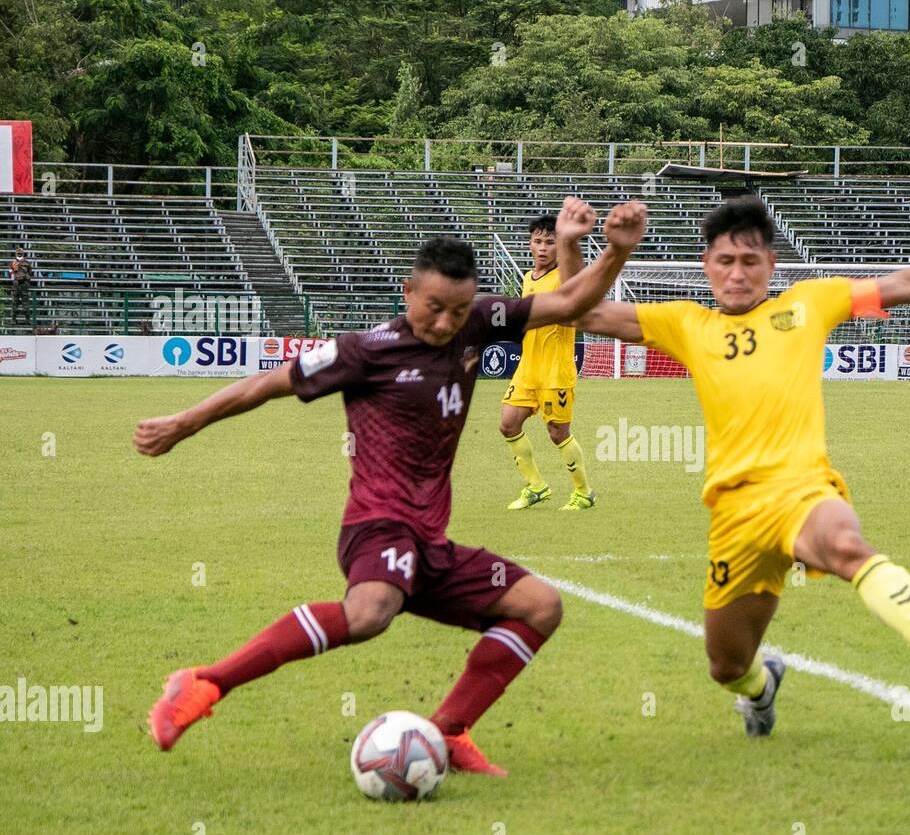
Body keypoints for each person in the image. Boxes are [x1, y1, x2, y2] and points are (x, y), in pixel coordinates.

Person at [136, 198, 647, 775]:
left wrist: (618, 248)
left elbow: (572, 301)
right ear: (408, 292)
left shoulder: (480, 320)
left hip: (429, 544)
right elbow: (266, 384)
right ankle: (202, 683)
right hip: (377, 527)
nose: (445, 323)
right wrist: (183, 423)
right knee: (370, 612)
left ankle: (451, 732)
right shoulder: (365, 351)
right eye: (434, 309)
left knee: (539, 607)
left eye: (457, 312)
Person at [574, 196, 910, 736]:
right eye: (725, 261)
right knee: (726, 665)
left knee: (845, 545)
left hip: (802, 490)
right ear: (706, 266)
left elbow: (904, 283)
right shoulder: (685, 323)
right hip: (734, 516)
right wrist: (598, 249)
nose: (737, 273)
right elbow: (583, 311)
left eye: (750, 261)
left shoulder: (808, 304)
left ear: (772, 265)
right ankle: (762, 690)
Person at [499, 212, 594, 511]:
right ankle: (536, 486)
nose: (542, 248)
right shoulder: (528, 278)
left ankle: (583, 492)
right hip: (528, 368)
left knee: (557, 433)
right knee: (508, 423)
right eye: (537, 242)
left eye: (550, 243)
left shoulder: (565, 277)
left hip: (556, 370)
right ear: (530, 244)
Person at [9, 247, 33, 328]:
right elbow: (10, 273)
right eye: (18, 253)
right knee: (14, 302)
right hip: (16, 284)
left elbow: (30, 272)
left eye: (20, 253)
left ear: (23, 253)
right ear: (16, 253)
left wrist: (27, 279)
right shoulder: (13, 262)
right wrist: (13, 279)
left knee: (25, 303)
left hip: (24, 284)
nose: (19, 254)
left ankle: (27, 319)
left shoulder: (27, 263)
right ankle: (13, 319)